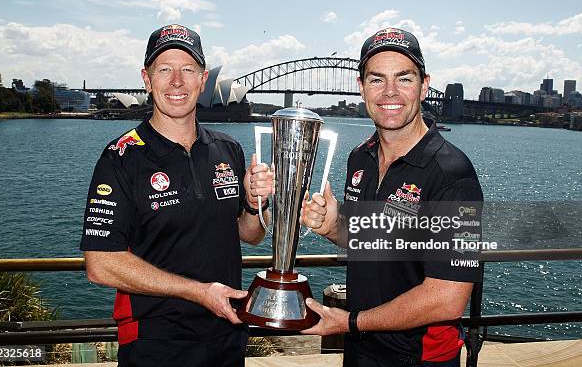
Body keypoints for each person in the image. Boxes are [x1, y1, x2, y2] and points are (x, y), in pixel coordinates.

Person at [80, 24, 273, 367]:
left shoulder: (228, 149)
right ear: (147, 79)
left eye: (188, 70)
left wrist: (255, 203)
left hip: (226, 336)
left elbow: (250, 234)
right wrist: (199, 293)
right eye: (164, 69)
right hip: (156, 344)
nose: (177, 81)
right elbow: (101, 264)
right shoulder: (121, 158)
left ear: (202, 79)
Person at [300, 27, 483, 366]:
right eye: (376, 79)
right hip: (362, 349)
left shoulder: (454, 175)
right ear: (361, 87)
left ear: (424, 85)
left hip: (421, 357)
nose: (390, 92)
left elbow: (448, 298)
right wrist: (333, 227)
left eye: (404, 78)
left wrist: (351, 322)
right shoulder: (361, 157)